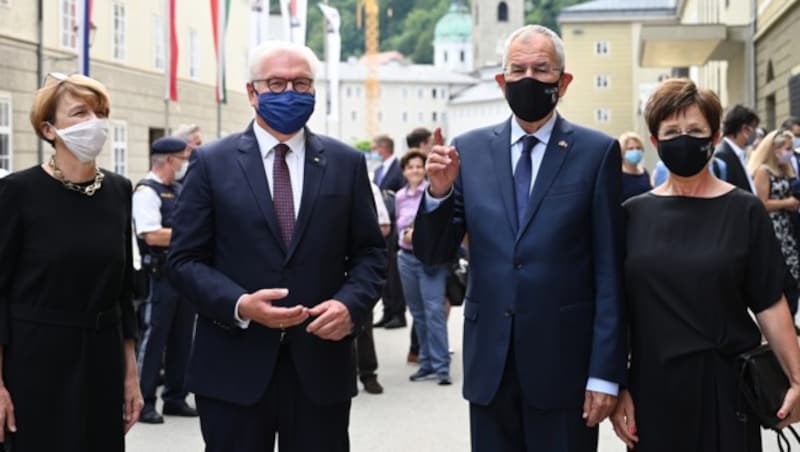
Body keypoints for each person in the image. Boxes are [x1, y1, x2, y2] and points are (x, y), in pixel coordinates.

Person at [414, 25, 626, 452]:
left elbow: (610, 271)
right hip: (490, 365)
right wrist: (437, 192)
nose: (529, 77)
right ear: (501, 81)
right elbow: (433, 253)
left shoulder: (596, 152)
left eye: (542, 69)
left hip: (565, 368)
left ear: (563, 82)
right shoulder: (468, 151)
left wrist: (605, 373)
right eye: (518, 69)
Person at [166, 41, 386, 452]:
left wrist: (350, 305)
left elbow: (370, 254)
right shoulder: (212, 162)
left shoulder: (345, 163)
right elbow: (183, 260)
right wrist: (239, 304)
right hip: (234, 367)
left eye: (302, 83)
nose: (290, 92)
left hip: (321, 367)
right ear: (252, 93)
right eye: (277, 83)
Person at [611, 78, 800, 452]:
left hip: (726, 388)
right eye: (672, 131)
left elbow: (769, 301)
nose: (684, 138)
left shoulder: (744, 209)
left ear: (714, 137)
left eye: (695, 130)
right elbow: (617, 312)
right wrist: (618, 387)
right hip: (653, 388)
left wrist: (797, 378)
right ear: (655, 141)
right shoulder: (631, 216)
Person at [0, 72, 142, 450]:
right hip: (35, 359)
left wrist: (131, 376)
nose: (93, 122)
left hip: (102, 358)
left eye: (100, 112)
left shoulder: (118, 190)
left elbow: (123, 289)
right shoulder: (17, 191)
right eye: (80, 113)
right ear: (49, 129)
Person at [133, 136, 198, 424]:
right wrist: (190, 235)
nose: (186, 164)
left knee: (183, 338)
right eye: (183, 159)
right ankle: (144, 400)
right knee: (154, 338)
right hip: (159, 277)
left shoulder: (179, 189)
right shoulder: (147, 191)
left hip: (183, 274)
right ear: (170, 160)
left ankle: (175, 397)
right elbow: (151, 234)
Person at [395, 149, 452, 385]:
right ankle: (425, 362)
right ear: (404, 171)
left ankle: (441, 367)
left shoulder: (433, 192)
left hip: (429, 260)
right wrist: (406, 235)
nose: (415, 170)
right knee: (418, 314)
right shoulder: (400, 197)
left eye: (419, 166)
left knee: (434, 313)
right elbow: (399, 228)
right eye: (410, 167)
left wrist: (416, 234)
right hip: (406, 259)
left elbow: (439, 225)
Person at [749, 130, 800, 316]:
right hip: (774, 229)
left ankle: (790, 317)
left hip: (788, 229)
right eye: (787, 148)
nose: (790, 152)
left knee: (793, 276)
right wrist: (786, 203)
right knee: (779, 276)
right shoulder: (763, 171)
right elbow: (761, 203)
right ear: (774, 149)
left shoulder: (785, 170)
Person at [353, 182, 391, 395]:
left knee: (363, 323)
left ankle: (368, 373)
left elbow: (384, 225)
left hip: (356, 262)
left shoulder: (368, 186)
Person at [372, 134, 408, 330]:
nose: (374, 151)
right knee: (384, 273)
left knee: (395, 275)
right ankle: (387, 311)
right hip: (381, 227)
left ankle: (398, 313)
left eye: (375, 147)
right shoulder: (378, 171)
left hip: (395, 227)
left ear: (383, 148)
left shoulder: (398, 169)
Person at [715, 104, 760, 193]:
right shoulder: (723, 156)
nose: (755, 134)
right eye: (754, 128)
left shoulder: (739, 153)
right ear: (745, 129)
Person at [618, 131, 652, 201]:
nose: (635, 151)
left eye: (638, 148)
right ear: (622, 151)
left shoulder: (644, 172)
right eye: (630, 149)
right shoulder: (617, 175)